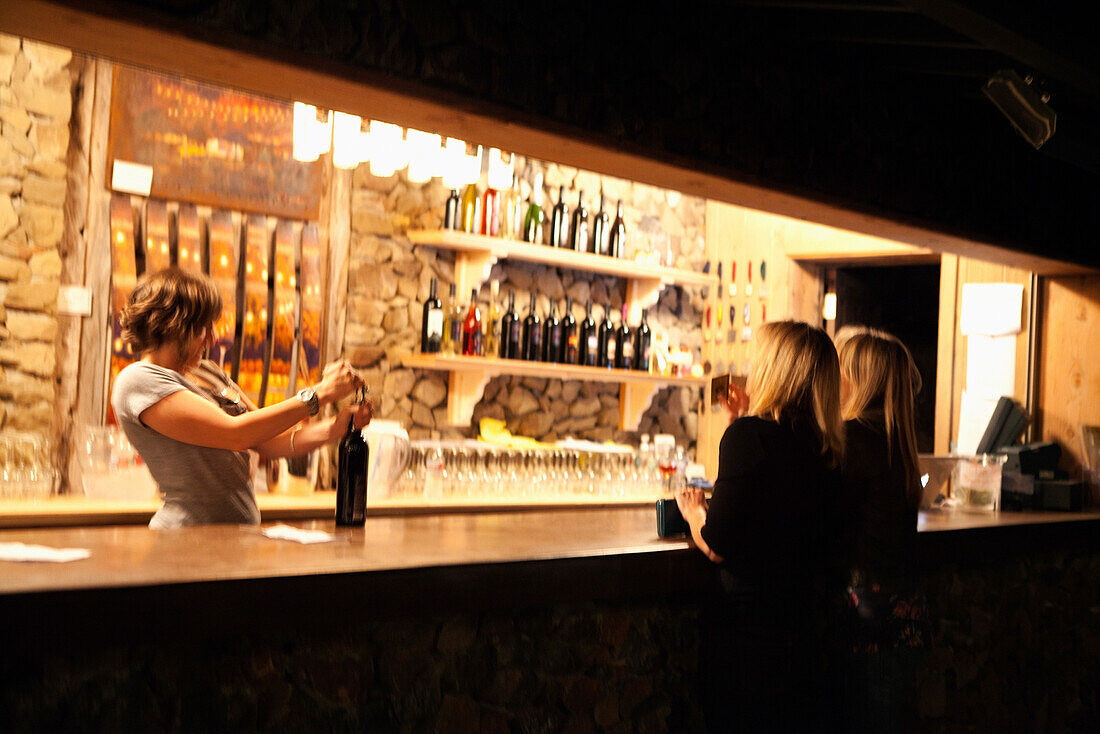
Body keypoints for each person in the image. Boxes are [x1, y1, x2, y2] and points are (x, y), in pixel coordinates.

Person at [675, 320, 847, 733]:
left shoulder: (749, 438)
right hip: (803, 640)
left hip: (747, 645)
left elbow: (716, 545)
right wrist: (739, 421)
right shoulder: (828, 449)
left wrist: (693, 513)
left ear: (775, 370)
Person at [111, 267, 373, 529]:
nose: (212, 337)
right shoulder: (137, 381)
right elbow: (236, 434)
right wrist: (321, 393)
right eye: (205, 327)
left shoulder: (207, 372)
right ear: (176, 325)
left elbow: (267, 441)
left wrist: (334, 428)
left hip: (236, 539)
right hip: (186, 541)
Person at [835, 326, 931, 733]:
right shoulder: (898, 442)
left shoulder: (853, 438)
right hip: (905, 622)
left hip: (864, 624)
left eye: (839, 370)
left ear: (858, 380)